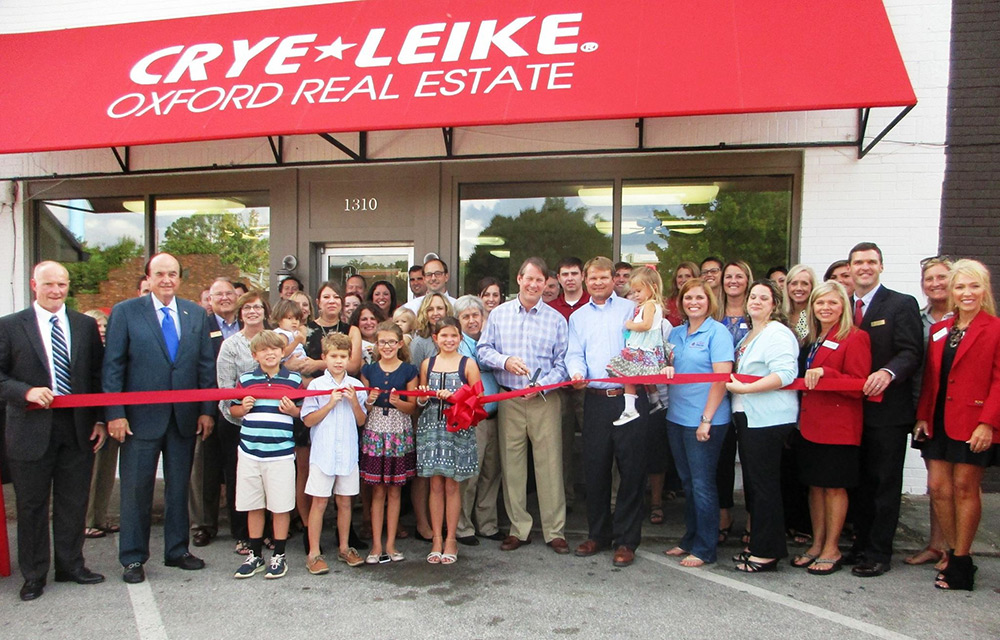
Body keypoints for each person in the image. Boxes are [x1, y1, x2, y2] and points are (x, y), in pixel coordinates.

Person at [103, 252, 216, 584]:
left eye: (172, 274)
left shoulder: (195, 314)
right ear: (148, 278)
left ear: (180, 278)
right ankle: (133, 557)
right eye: (160, 274)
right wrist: (115, 413)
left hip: (183, 418)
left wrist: (207, 410)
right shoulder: (126, 312)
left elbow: (205, 366)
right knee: (136, 490)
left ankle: (177, 550)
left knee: (179, 488)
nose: (167, 279)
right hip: (139, 420)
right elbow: (113, 367)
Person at [1, 261, 107, 601]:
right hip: (29, 429)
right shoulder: (10, 326)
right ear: (35, 285)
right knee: (31, 506)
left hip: (77, 428)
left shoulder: (84, 325)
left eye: (62, 284)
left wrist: (100, 420)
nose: (56, 290)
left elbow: (96, 376)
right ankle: (34, 575)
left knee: (73, 502)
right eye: (49, 284)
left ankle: (71, 565)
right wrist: (26, 392)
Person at [914, 259, 1000, 591]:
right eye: (960, 286)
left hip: (974, 420)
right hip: (937, 419)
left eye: (973, 286)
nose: (967, 293)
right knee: (938, 488)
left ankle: (962, 561)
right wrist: (923, 415)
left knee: (965, 488)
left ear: (984, 290)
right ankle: (952, 552)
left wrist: (987, 423)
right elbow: (932, 378)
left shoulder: (994, 328)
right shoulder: (941, 330)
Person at [478, 257, 570, 554]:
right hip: (509, 399)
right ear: (519, 279)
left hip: (544, 400)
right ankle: (519, 528)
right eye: (529, 278)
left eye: (539, 280)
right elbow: (482, 350)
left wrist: (542, 385)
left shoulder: (556, 319)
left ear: (546, 284)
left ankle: (555, 531)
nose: (533, 285)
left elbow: (563, 364)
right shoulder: (499, 315)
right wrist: (504, 361)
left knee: (550, 465)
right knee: (512, 466)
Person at [844, 241, 923, 578]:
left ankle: (879, 552)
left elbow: (911, 351)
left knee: (884, 483)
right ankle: (860, 545)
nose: (865, 267)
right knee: (859, 482)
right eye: (858, 262)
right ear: (850, 268)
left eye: (871, 262)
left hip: (888, 411)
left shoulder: (901, 304)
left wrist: (887, 373)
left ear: (881, 266)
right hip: (851, 410)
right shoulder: (844, 306)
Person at [566, 256, 649, 567]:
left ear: (614, 279)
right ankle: (597, 534)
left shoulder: (631, 309)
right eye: (593, 278)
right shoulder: (578, 317)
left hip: (629, 398)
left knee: (631, 470)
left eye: (603, 277)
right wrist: (576, 372)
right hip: (596, 399)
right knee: (596, 469)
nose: (598, 283)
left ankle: (626, 540)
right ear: (586, 281)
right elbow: (574, 353)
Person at [794, 281, 871, 576]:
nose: (825, 308)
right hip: (811, 423)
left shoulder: (855, 337)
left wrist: (827, 373)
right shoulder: (813, 339)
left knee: (834, 487)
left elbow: (859, 383)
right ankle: (817, 544)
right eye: (820, 303)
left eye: (832, 303)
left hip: (839, 425)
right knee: (815, 486)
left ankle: (832, 548)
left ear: (843, 307)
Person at [725, 280, 799, 573]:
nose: (755, 301)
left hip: (768, 418)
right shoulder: (750, 334)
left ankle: (767, 553)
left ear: (774, 304)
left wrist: (745, 389)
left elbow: (785, 374)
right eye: (753, 296)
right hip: (749, 417)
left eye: (763, 298)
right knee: (755, 486)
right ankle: (758, 544)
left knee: (764, 486)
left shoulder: (777, 333)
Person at [662, 278, 733, 567]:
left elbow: (721, 379)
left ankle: (705, 548)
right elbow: (664, 364)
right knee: (688, 484)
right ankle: (690, 538)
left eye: (699, 298)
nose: (693, 302)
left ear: (709, 301)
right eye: (688, 297)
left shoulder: (718, 332)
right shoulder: (676, 333)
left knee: (703, 485)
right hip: (676, 418)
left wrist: (706, 420)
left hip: (705, 420)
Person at [229, 331, 303, 579]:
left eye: (274, 349)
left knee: (280, 506)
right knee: (254, 505)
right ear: (254, 355)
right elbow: (233, 409)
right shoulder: (246, 379)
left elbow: (302, 411)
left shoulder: (293, 380)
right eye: (263, 350)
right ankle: (255, 554)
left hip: (281, 452)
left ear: (282, 353)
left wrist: (293, 411)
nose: (269, 353)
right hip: (250, 452)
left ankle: (279, 555)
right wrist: (243, 408)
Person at [416, 317, 482, 565]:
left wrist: (456, 397)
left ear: (460, 338)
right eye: (444, 335)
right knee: (435, 485)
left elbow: (479, 399)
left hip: (457, 429)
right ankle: (436, 539)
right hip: (432, 428)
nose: (449, 340)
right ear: (435, 338)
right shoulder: (428, 363)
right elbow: (420, 398)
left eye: (453, 335)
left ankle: (451, 539)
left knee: (453, 486)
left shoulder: (468, 364)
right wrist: (423, 398)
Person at [301, 333, 368, 573]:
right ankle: (313, 553)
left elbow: (361, 420)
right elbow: (308, 420)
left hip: (347, 453)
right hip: (323, 453)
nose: (338, 361)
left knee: (345, 501)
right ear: (324, 357)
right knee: (319, 501)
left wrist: (354, 401)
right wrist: (330, 403)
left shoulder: (357, 385)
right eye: (333, 356)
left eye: (343, 356)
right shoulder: (316, 385)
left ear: (349, 358)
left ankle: (344, 547)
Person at [905, 257, 953, 567]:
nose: (935, 283)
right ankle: (937, 544)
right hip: (924, 407)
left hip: (957, 410)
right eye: (929, 279)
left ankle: (956, 550)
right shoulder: (919, 319)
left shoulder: (967, 318)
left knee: (959, 485)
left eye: (941, 277)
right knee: (936, 484)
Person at [359, 322, 419, 563]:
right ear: (376, 344)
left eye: (391, 342)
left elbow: (412, 407)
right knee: (378, 490)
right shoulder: (368, 370)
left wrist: (398, 402)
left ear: (400, 343)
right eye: (382, 342)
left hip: (398, 430)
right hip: (375, 430)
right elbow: (363, 406)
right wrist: (369, 400)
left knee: (395, 491)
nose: (387, 346)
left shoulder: (409, 370)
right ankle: (376, 545)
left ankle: (391, 545)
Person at [216, 291, 270, 555]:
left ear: (265, 311)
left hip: (270, 423)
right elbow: (225, 389)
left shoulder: (276, 340)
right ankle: (242, 534)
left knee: (269, 479)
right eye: (247, 308)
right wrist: (239, 410)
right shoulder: (230, 346)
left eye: (257, 307)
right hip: (237, 423)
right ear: (240, 313)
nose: (252, 312)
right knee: (239, 479)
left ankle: (268, 532)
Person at [189, 277, 240, 548]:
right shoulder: (201, 327)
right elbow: (201, 370)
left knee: (237, 469)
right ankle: (204, 525)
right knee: (206, 471)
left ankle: (239, 526)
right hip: (211, 410)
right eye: (218, 294)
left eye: (228, 293)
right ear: (209, 300)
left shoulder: (247, 326)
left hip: (241, 409)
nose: (224, 298)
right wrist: (206, 411)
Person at [453, 295, 503, 545]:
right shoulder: (459, 345)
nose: (472, 320)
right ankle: (463, 527)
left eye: (476, 315)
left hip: (497, 415)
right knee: (470, 474)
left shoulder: (492, 339)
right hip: (473, 419)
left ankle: (487, 524)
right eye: (466, 317)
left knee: (492, 473)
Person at [550, 257, 590, 507]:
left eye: (574, 273)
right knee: (560, 446)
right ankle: (565, 497)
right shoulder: (551, 309)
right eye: (565, 274)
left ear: (582, 276)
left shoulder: (594, 304)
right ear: (558, 278)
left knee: (595, 442)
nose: (570, 278)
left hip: (589, 386)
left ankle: (598, 494)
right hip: (559, 387)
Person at [717, 261, 752, 544]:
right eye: (728, 276)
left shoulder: (758, 313)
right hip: (719, 396)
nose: (733, 281)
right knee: (722, 458)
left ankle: (753, 517)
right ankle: (723, 514)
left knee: (752, 460)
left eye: (739, 276)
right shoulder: (714, 314)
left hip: (752, 397)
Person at [607, 266, 669, 424]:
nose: (635, 295)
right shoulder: (650, 305)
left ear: (653, 288)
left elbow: (646, 325)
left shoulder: (649, 305)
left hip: (642, 348)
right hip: (646, 347)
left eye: (638, 291)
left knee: (627, 376)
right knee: (646, 378)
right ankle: (655, 400)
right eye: (633, 292)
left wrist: (630, 325)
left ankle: (630, 409)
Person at [83, 309, 118, 541]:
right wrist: (97, 419)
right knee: (91, 473)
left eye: (105, 325)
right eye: (97, 325)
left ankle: (100, 517)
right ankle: (86, 521)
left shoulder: (111, 353)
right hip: (91, 422)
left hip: (111, 419)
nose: (102, 330)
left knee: (106, 472)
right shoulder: (84, 354)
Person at [303, 282, 351, 376]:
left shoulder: (352, 330)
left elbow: (353, 366)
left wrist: (318, 364)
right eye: (326, 297)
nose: (332, 301)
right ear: (318, 302)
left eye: (336, 297)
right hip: (311, 384)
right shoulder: (304, 330)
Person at [784, 264, 817, 342]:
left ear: (812, 287)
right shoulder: (780, 314)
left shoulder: (816, 316)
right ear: (787, 286)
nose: (799, 288)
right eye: (794, 283)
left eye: (804, 284)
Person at [666, 262, 699, 326]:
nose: (683, 280)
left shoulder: (702, 302)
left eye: (688, 276)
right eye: (680, 277)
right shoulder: (667, 304)